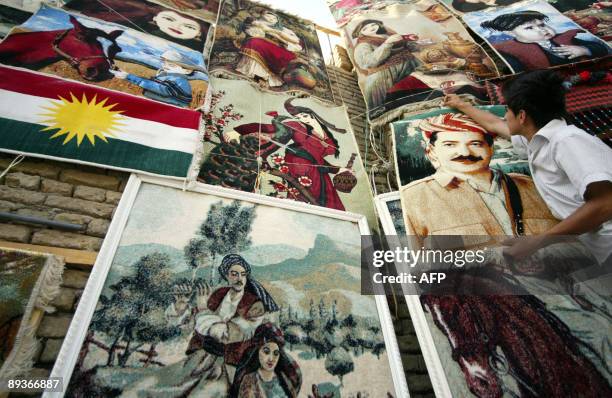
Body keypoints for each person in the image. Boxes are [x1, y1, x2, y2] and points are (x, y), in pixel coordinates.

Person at [443, 70, 612, 271]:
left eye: (507, 110)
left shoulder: (567, 141)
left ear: (522, 116)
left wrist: (537, 241)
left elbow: (606, 203)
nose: (505, 116)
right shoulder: (534, 138)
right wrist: (461, 105)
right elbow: (495, 124)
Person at [400, 112, 558, 238]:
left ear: (491, 149)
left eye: (475, 144)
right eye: (450, 145)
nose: (464, 152)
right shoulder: (413, 197)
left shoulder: (530, 186)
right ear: (432, 152)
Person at [223, 98, 352, 211]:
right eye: (298, 117)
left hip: (318, 172)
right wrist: (238, 131)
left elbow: (317, 158)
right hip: (301, 169)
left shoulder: (327, 136)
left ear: (312, 115)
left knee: (327, 206)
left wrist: (338, 169)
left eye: (304, 116)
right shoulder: (296, 126)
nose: (301, 119)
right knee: (302, 202)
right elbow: (268, 128)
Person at [480, 10, 610, 72]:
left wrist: (585, 50)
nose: (542, 30)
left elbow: (602, 48)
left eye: (542, 25)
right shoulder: (509, 50)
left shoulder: (564, 38)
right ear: (509, 33)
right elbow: (514, 70)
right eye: (529, 28)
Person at [350, 19, 431, 114]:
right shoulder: (363, 45)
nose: (371, 28)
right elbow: (368, 63)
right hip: (385, 76)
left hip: (410, 66)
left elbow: (406, 46)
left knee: (424, 93)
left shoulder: (387, 34)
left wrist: (411, 41)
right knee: (394, 103)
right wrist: (387, 44)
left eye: (373, 24)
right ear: (360, 33)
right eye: (365, 28)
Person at [229, 323, 302, 398]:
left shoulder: (285, 378)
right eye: (266, 352)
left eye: (276, 353)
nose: (271, 359)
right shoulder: (248, 381)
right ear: (257, 351)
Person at [235, 9, 303, 87]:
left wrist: (274, 32)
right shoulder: (257, 24)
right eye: (267, 17)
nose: (270, 19)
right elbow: (255, 33)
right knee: (254, 42)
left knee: (281, 55)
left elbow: (295, 43)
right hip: (263, 42)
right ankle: (254, 72)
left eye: (273, 18)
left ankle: (265, 77)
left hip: (280, 47)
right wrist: (259, 26)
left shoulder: (284, 30)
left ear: (277, 20)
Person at [110, 50, 202, 107]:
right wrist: (126, 75)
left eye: (171, 65)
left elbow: (159, 88)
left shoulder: (180, 81)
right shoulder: (166, 76)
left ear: (187, 71)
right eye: (164, 63)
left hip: (167, 109)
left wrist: (128, 76)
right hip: (156, 104)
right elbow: (151, 83)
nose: (165, 66)